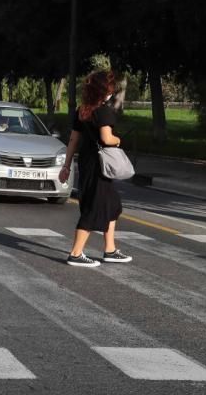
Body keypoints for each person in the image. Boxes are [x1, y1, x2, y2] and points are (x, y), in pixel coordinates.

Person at [58, 70, 133, 267]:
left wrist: (67, 166)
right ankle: (75, 253)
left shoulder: (83, 110)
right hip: (99, 166)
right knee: (93, 207)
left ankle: (109, 249)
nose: (111, 92)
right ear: (103, 91)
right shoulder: (103, 111)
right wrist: (118, 140)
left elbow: (73, 140)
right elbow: (106, 138)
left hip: (87, 162)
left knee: (113, 205)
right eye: (110, 89)